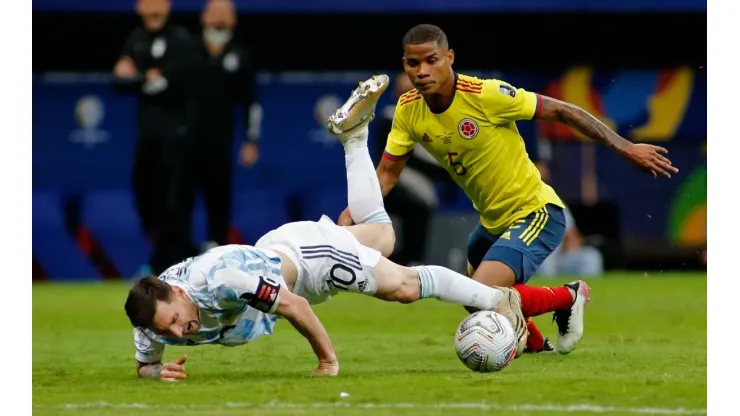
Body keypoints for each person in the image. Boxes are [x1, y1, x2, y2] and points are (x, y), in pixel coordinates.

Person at [124, 76, 530, 381]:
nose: (181, 330)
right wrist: (156, 373)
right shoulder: (153, 315)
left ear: (179, 292)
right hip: (279, 250)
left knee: (403, 287)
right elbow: (145, 363)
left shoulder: (221, 279)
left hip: (307, 264)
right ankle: (354, 138)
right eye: (169, 329)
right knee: (382, 237)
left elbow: (295, 307)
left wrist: (327, 361)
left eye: (176, 319)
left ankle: (496, 299)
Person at [336, 24, 678, 354]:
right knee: (474, 301)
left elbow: (563, 110)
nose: (422, 70)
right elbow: (387, 175)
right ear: (404, 66)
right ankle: (536, 346)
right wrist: (356, 209)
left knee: (480, 291)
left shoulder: (487, 95)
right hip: (492, 223)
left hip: (536, 212)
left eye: (432, 60)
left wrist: (625, 147)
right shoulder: (409, 110)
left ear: (450, 58)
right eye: (414, 63)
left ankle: (568, 296)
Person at [113, 0, 200, 274]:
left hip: (177, 136)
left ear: (167, 6)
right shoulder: (135, 39)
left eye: (158, 4)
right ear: (139, 7)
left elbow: (173, 81)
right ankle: (178, 256)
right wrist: (144, 77)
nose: (153, 10)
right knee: (146, 196)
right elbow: (118, 80)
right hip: (147, 136)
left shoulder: (181, 40)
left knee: (174, 202)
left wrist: (139, 76)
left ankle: (171, 265)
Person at [195, 0, 263, 250]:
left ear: (234, 21)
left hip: (219, 145)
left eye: (226, 14)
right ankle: (173, 261)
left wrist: (251, 140)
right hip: (183, 144)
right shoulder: (188, 51)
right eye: (215, 13)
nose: (220, 20)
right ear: (204, 18)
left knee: (219, 203)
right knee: (176, 204)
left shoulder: (240, 55)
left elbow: (251, 103)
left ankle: (216, 257)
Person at [372, 73, 447, 266]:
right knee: (415, 205)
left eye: (412, 91)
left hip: (425, 182)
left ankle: (413, 259)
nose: (408, 95)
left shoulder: (434, 117)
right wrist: (441, 171)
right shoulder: (390, 116)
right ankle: (404, 260)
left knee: (421, 203)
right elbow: (398, 157)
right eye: (403, 91)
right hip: (394, 179)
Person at [537, 205, 604, 278]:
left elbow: (572, 235)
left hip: (559, 257)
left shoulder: (556, 206)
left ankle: (585, 287)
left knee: (591, 256)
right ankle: (547, 288)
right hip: (535, 259)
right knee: (545, 262)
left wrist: (572, 244)